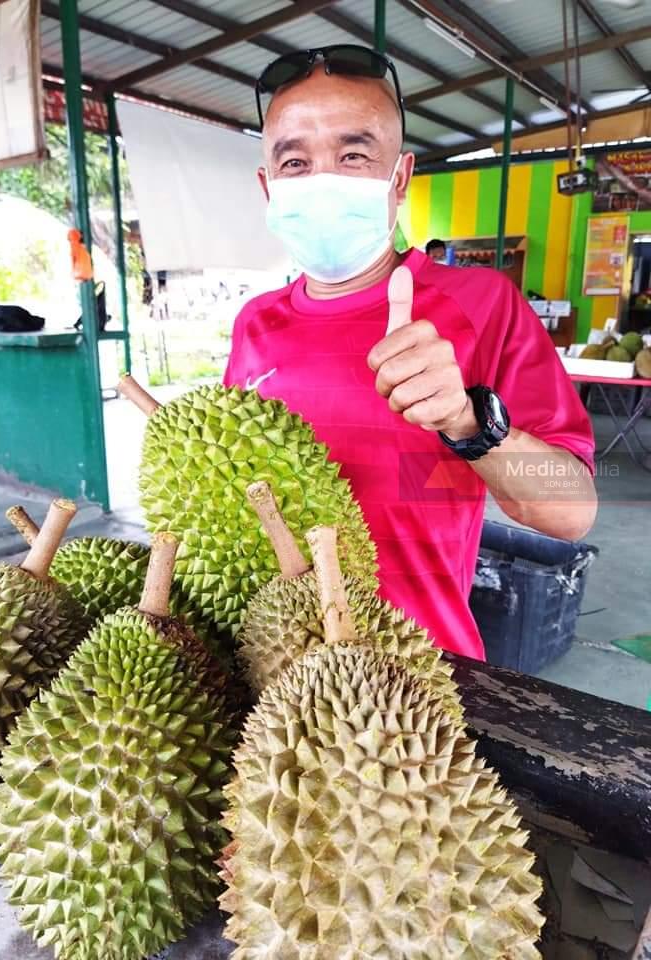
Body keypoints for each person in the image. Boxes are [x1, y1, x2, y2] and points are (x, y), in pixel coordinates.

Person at [224, 45, 597, 659]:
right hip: (271, 664)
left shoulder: (484, 304)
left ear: (398, 177)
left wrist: (469, 422)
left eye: (353, 154)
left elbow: (571, 512)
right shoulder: (253, 324)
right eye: (295, 161)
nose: (323, 180)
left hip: (417, 684)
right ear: (269, 187)